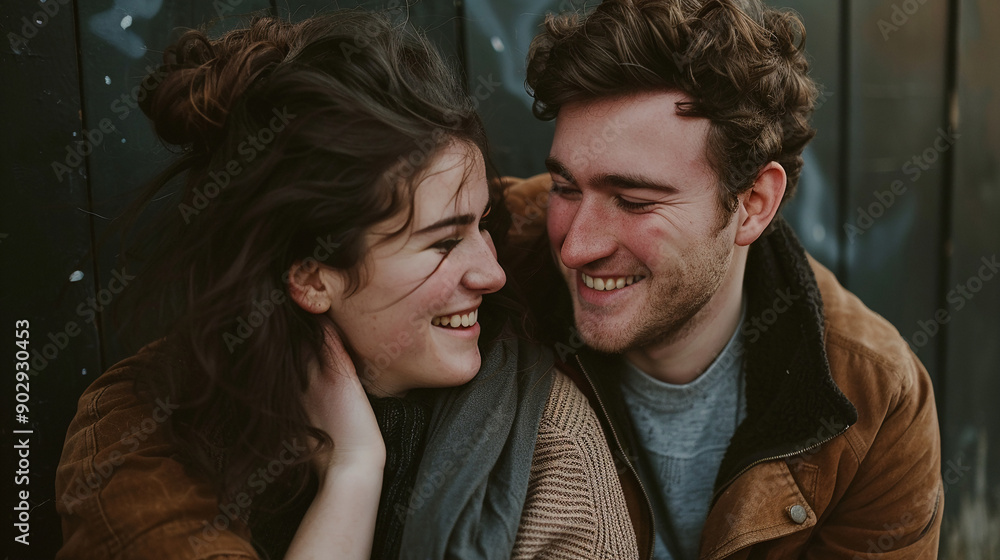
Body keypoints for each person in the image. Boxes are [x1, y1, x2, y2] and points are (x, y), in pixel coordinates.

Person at [55, 12, 639, 560]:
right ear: (311, 277)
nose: (493, 273)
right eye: (441, 242)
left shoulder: (546, 446)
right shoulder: (154, 435)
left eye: (482, 225)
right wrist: (354, 472)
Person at [504, 0, 944, 557]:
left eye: (635, 201)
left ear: (754, 202)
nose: (575, 246)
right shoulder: (483, 256)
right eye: (565, 188)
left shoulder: (876, 402)